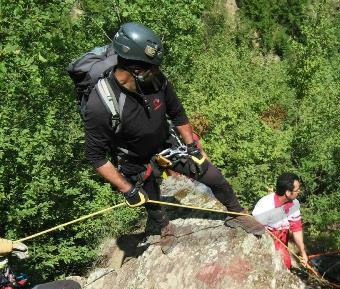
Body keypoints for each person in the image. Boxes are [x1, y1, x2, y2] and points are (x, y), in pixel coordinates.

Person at [83, 22, 264, 250]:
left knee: (213, 176)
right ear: (135, 70)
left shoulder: (156, 81)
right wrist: (126, 189)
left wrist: (193, 148)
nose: (158, 72)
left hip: (167, 144)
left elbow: (177, 114)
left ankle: (237, 212)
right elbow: (95, 156)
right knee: (151, 201)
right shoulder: (100, 105)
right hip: (135, 160)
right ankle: (162, 225)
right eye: (152, 68)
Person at [252, 173, 308, 269]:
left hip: (282, 241)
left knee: (286, 264)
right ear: (287, 192)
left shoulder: (294, 204)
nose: (299, 191)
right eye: (297, 190)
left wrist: (303, 253)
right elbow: (255, 233)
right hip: (266, 241)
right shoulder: (265, 206)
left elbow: (296, 229)